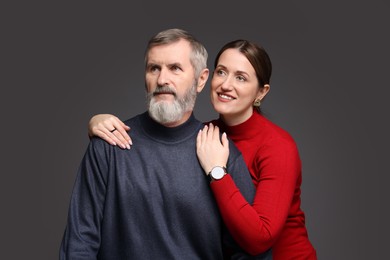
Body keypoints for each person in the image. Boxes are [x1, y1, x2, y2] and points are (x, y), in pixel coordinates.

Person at [89, 39, 317, 259]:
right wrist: (97, 123)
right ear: (207, 77)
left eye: (241, 78)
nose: (226, 84)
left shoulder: (278, 146)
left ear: (261, 92)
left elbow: (260, 239)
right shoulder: (206, 135)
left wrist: (217, 172)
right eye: (221, 72)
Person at [59, 29, 271, 259]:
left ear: (201, 79)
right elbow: (79, 243)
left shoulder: (221, 153)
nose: (162, 80)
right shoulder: (108, 145)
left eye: (175, 68)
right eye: (154, 68)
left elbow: (249, 252)